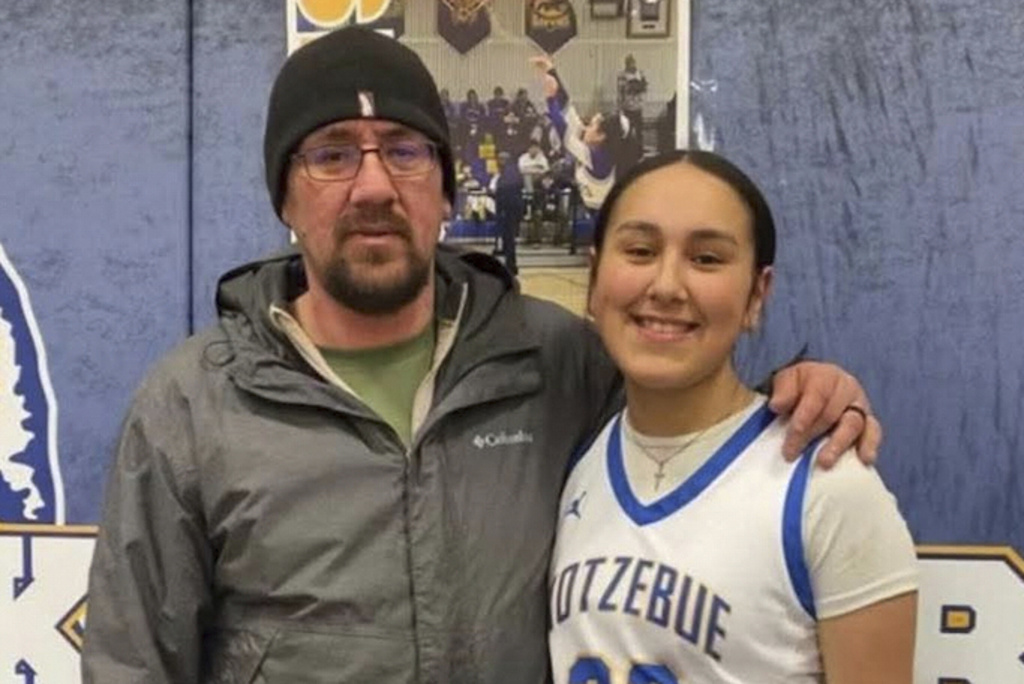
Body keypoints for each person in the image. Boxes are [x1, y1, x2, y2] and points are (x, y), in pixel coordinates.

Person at [82, 26, 881, 683]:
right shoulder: (193, 403)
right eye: (331, 153)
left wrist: (801, 392)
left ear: (445, 188)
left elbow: (688, 421)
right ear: (285, 198)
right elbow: (131, 665)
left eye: (403, 150)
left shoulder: (555, 356)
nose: (372, 187)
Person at [549, 150, 918, 683]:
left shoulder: (829, 488)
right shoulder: (573, 456)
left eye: (707, 259)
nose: (667, 285)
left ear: (756, 295)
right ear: (594, 275)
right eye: (639, 250)